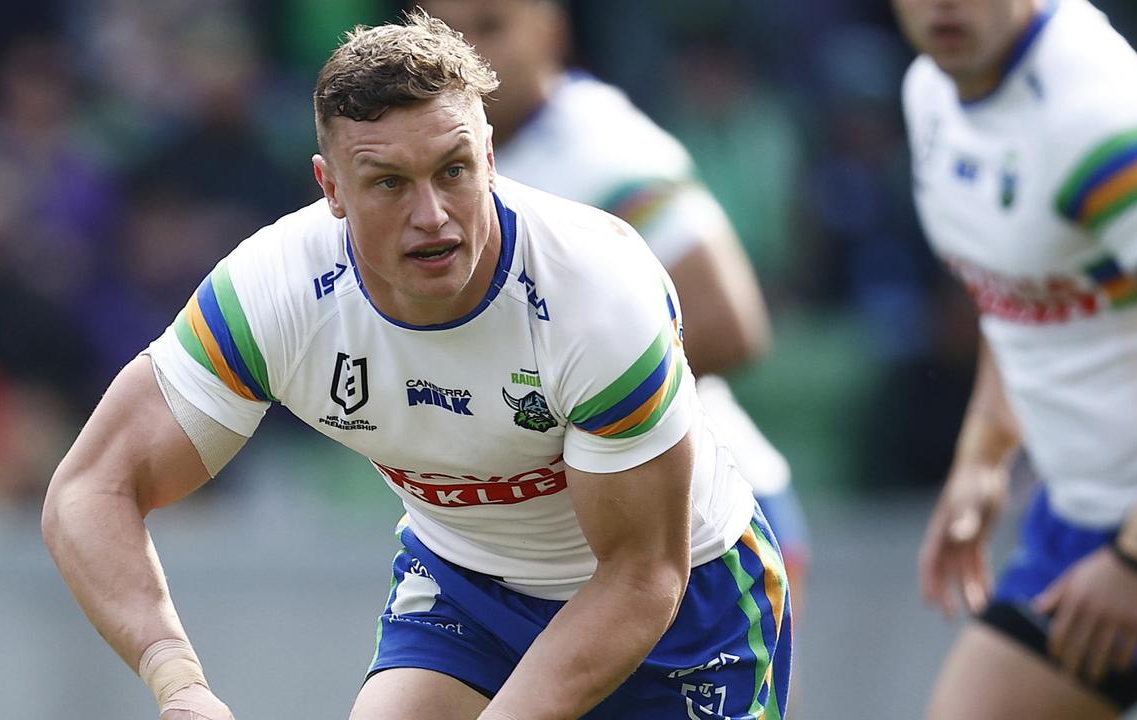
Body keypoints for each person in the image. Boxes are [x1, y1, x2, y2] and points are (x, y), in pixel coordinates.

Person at [40, 11, 790, 720]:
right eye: (389, 183)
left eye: (454, 171)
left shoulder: (594, 292)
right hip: (468, 590)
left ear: (489, 157)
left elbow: (640, 578)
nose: (431, 215)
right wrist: (179, 682)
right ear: (329, 188)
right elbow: (91, 487)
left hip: (684, 608)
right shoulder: (276, 290)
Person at [896, 0, 1137, 718]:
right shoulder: (930, 91)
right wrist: (982, 454)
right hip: (1077, 520)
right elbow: (1013, 283)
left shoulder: (1101, 117)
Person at [415, 0, 811, 619]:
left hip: (706, 524)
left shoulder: (602, 148)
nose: (462, 53)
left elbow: (730, 325)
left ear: (550, 29)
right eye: (444, 31)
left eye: (491, 26)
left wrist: (548, 406)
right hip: (578, 539)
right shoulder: (444, 163)